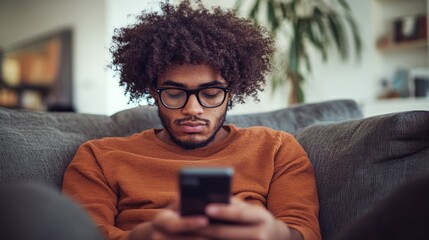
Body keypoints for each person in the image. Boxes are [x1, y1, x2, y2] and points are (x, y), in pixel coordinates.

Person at [62, 1, 321, 240]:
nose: (193, 109)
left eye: (210, 93)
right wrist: (144, 236)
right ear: (153, 92)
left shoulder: (276, 149)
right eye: (174, 94)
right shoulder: (100, 157)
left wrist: (274, 233)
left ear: (231, 91)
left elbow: (304, 229)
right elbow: (81, 234)